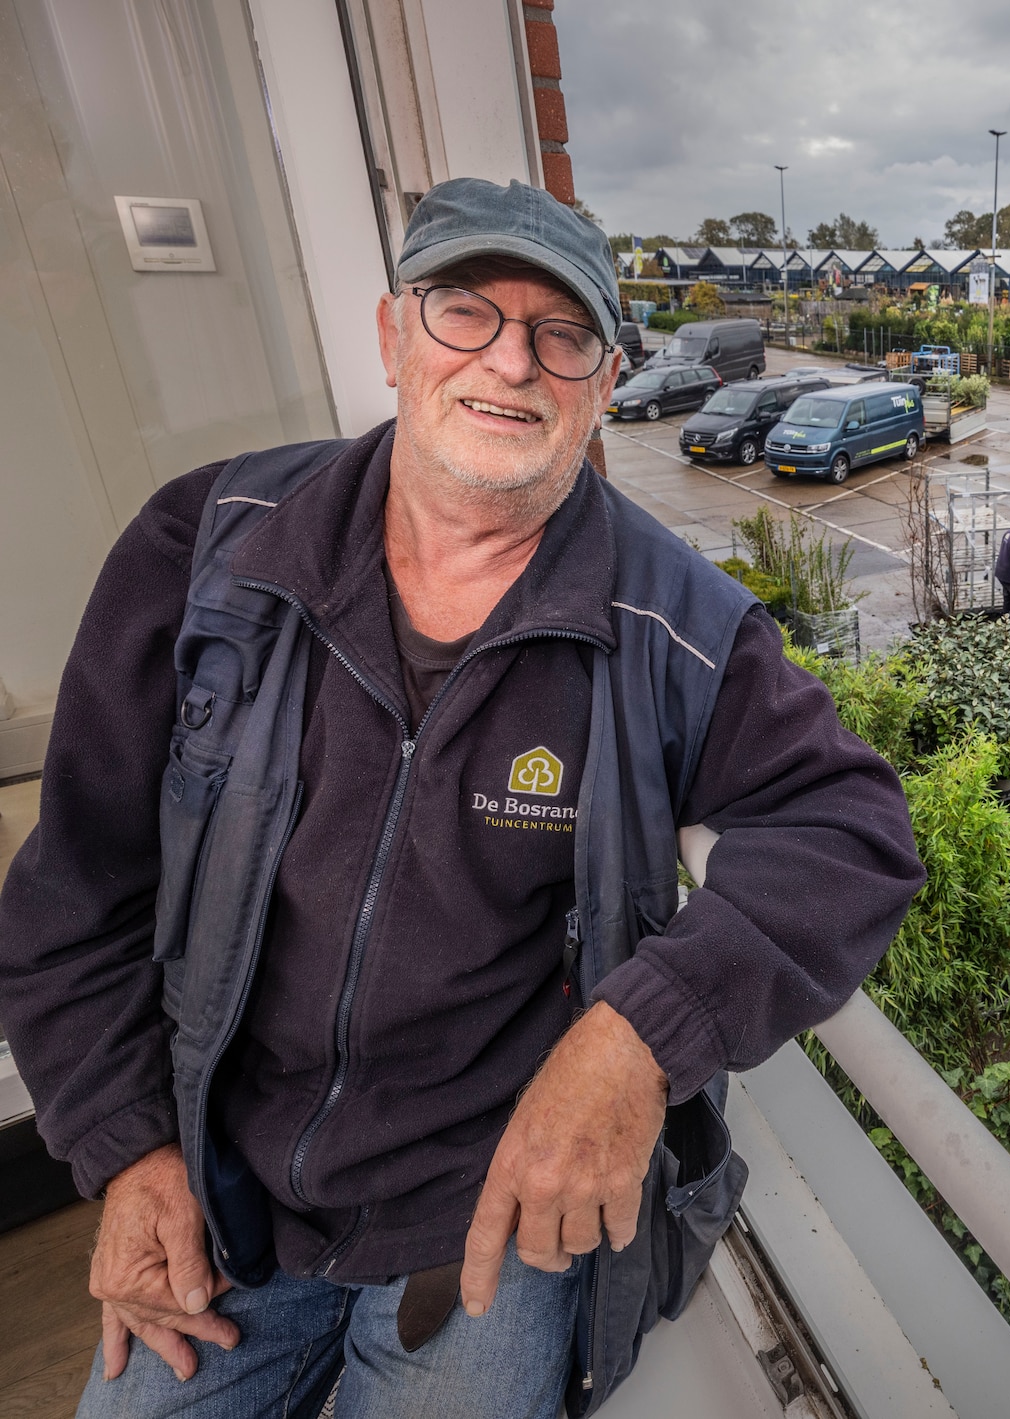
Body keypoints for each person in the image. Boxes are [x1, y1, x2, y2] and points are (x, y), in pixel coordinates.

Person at [0, 178, 925, 1417]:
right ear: (394, 335)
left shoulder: (672, 622)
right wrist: (128, 1150)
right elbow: (74, 893)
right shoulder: (210, 551)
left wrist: (637, 1037)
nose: (512, 361)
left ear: (604, 382)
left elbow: (851, 832)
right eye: (465, 311)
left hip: (482, 1212)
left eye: (562, 333)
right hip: (222, 1182)